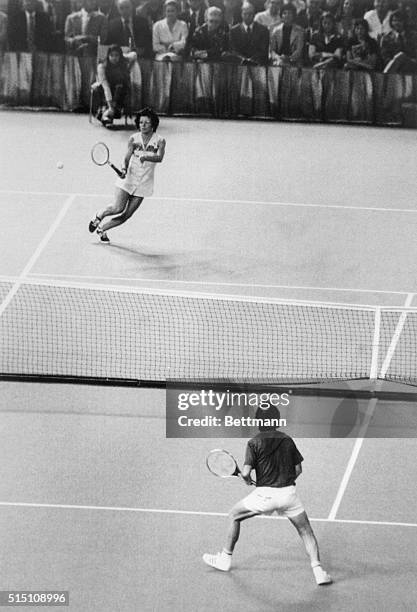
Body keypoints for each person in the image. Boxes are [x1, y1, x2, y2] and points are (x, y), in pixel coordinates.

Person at [202, 405, 333, 586]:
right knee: (306, 532)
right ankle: (319, 572)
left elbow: (246, 473)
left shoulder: (253, 443)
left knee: (234, 516)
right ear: (277, 421)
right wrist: (282, 481)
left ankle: (225, 558)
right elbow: (298, 469)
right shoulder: (287, 440)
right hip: (289, 494)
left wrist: (247, 479)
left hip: (264, 496)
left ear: (258, 422)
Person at [89, 107, 166, 243]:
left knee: (126, 215)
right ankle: (99, 215)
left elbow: (160, 158)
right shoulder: (133, 139)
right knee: (117, 208)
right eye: (141, 122)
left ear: (153, 124)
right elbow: (126, 158)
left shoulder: (160, 140)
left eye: (146, 122)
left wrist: (145, 157)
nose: (143, 125)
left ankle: (102, 229)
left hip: (144, 183)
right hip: (128, 179)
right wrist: (124, 168)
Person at [94, 43, 137, 125]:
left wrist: (128, 69)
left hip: (119, 89)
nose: (114, 58)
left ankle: (107, 114)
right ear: (108, 56)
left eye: (117, 55)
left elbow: (134, 55)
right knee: (106, 90)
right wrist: (111, 106)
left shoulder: (122, 62)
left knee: (122, 86)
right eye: (111, 55)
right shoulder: (102, 66)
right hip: (104, 88)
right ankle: (108, 112)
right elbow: (105, 86)